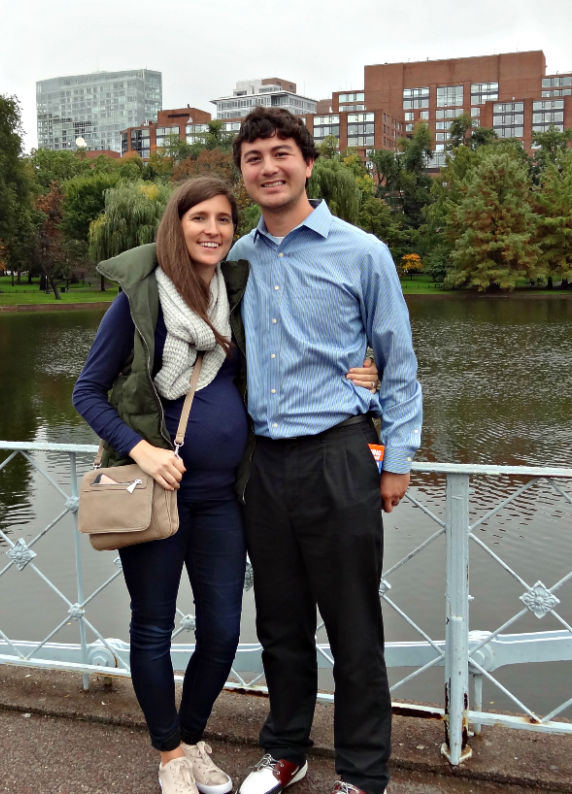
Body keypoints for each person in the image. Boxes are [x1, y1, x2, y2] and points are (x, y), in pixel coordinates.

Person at [72, 177, 379, 794]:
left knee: (222, 631)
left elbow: (287, 348)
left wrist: (357, 375)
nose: (211, 229)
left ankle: (189, 738)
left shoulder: (230, 297)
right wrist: (143, 450)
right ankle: (169, 756)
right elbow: (87, 391)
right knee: (154, 625)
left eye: (221, 218)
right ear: (175, 226)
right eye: (197, 219)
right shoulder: (141, 301)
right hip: (155, 494)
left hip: (222, 498)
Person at [230, 108, 423, 794]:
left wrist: (397, 457)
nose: (269, 167)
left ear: (308, 163)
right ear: (243, 173)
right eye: (254, 157)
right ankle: (285, 750)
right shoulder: (234, 259)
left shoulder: (360, 251)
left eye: (281, 153)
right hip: (262, 465)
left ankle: (364, 774)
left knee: (353, 626)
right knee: (279, 623)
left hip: (339, 457)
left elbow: (397, 362)